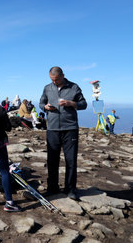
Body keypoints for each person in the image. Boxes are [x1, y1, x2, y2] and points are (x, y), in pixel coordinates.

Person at [39, 66, 87, 200]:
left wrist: (71, 103)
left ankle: (70, 189)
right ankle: (52, 188)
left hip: (70, 129)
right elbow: (41, 103)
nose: (54, 82)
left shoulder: (74, 87)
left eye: (56, 79)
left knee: (71, 160)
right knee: (52, 160)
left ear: (63, 76)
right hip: (52, 128)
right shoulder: (47, 88)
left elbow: (84, 104)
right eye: (52, 80)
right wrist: (46, 107)